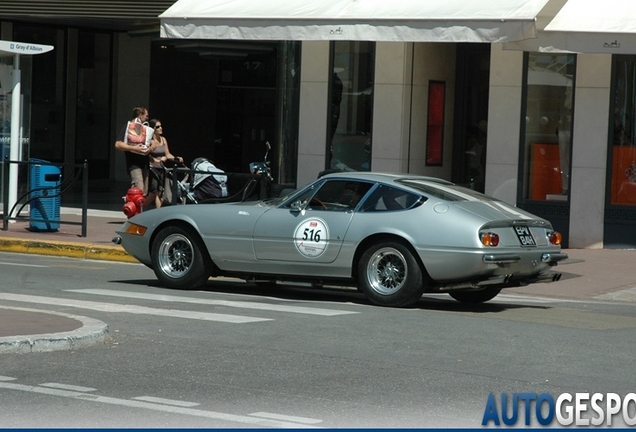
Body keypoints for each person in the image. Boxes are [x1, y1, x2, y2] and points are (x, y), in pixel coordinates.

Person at [114, 106, 155, 196]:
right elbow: (118, 144)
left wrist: (150, 149)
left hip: (145, 164)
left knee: (144, 192)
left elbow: (154, 143)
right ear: (140, 115)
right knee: (138, 188)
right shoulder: (128, 128)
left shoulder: (146, 129)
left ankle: (138, 209)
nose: (147, 118)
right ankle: (131, 208)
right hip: (134, 164)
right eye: (146, 116)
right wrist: (134, 148)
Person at [146, 119, 182, 208]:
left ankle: (143, 209)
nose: (160, 128)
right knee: (155, 192)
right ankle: (143, 209)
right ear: (153, 129)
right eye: (158, 127)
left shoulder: (163, 140)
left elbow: (167, 154)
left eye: (161, 126)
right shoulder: (149, 141)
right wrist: (154, 160)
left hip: (161, 168)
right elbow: (146, 154)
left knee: (159, 192)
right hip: (152, 168)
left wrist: (175, 158)